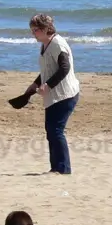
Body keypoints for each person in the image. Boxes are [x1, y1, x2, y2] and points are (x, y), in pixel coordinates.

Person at [24, 14, 79, 174]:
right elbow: (48, 69)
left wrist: (47, 85)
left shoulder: (57, 44)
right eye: (32, 30)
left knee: (56, 131)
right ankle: (55, 167)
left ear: (45, 29)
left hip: (65, 94)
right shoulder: (45, 44)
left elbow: (64, 68)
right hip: (54, 95)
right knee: (51, 130)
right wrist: (36, 84)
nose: (33, 33)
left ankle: (63, 168)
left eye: (35, 30)